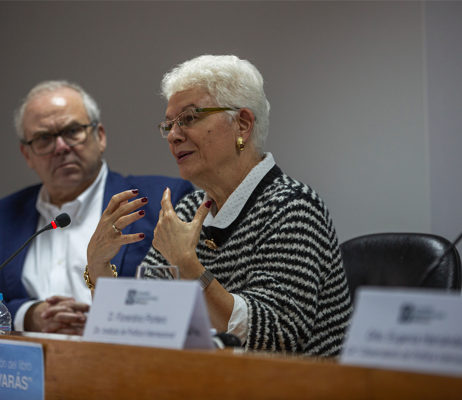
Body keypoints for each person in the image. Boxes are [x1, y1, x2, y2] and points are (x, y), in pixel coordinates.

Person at [87, 56, 352, 356]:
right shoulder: (186, 211)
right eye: (169, 125)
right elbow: (141, 324)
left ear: (242, 123)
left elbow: (277, 337)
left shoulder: (294, 208)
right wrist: (98, 267)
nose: (173, 135)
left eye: (188, 118)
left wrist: (188, 266)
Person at [0, 80, 193, 335]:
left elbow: (185, 299)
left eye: (72, 131)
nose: (61, 147)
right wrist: (29, 315)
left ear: (99, 136)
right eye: (44, 138)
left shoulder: (163, 200)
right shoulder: (0, 217)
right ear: (27, 155)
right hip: (25, 367)